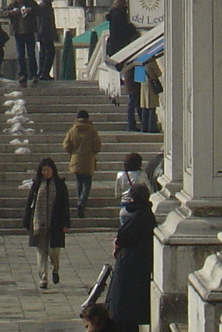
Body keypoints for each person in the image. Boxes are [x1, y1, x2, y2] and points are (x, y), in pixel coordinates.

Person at [105, 184, 155, 332]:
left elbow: (123, 236)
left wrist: (117, 243)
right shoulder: (146, 213)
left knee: (124, 308)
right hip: (138, 265)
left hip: (131, 266)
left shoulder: (140, 215)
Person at [23, 158, 71, 290]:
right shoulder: (37, 184)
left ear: (53, 170)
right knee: (41, 251)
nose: (46, 173)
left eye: (48, 170)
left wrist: (66, 223)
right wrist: (27, 220)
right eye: (43, 170)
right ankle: (43, 278)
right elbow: (30, 203)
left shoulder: (60, 185)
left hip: (56, 223)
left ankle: (55, 269)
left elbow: (65, 205)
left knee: (53, 251)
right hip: (39, 223)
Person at [62, 109, 103, 219]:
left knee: (79, 181)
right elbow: (97, 145)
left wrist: (73, 151)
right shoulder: (92, 131)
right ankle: (82, 202)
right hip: (89, 159)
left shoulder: (72, 130)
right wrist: (93, 151)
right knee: (87, 183)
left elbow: (66, 144)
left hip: (76, 158)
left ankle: (79, 200)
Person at [7, 0, 40, 86]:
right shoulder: (13, 5)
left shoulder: (31, 3)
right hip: (18, 33)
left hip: (29, 32)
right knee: (20, 55)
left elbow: (39, 11)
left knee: (31, 54)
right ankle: (22, 74)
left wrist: (30, 10)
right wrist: (11, 13)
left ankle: (33, 74)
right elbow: (5, 12)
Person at [116, 153, 152, 218]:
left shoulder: (120, 175)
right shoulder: (142, 175)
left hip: (125, 205)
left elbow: (117, 194)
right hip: (138, 206)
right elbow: (150, 190)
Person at [35, 0, 59, 81]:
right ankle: (44, 73)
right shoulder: (44, 7)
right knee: (49, 53)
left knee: (43, 53)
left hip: (44, 34)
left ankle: (42, 72)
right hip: (45, 35)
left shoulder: (45, 6)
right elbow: (45, 23)